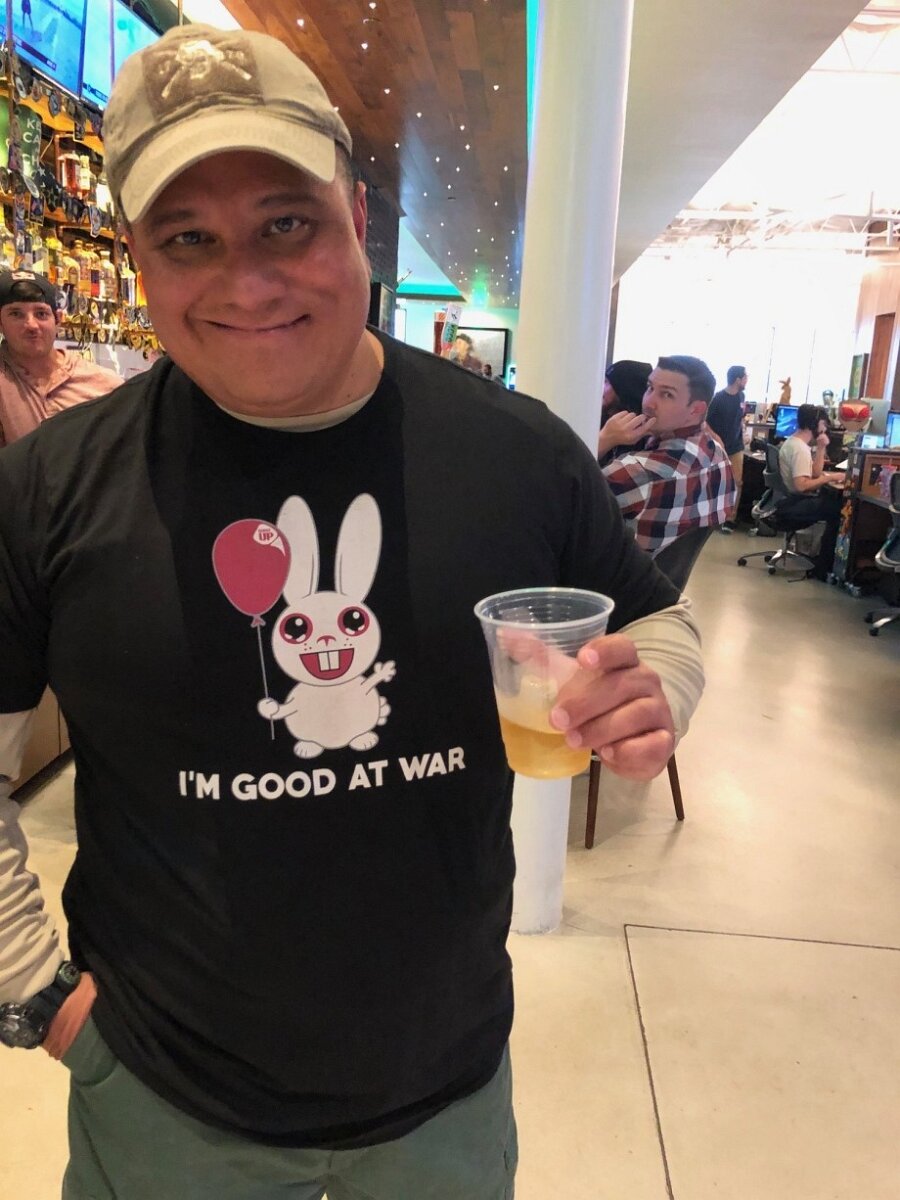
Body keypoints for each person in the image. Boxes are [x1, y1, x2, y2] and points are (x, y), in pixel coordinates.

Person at [0, 25, 704, 1200]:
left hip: (446, 1091)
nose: (247, 281)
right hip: (164, 1100)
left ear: (358, 221)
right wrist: (37, 997)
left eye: (287, 223)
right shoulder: (52, 486)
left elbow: (659, 620)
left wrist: (653, 692)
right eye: (188, 238)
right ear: (138, 259)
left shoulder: (515, 453)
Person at [602, 355, 736, 555]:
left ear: (696, 409)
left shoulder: (637, 472)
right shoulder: (719, 456)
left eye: (666, 395)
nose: (649, 403)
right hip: (658, 573)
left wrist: (603, 440)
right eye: (650, 388)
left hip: (610, 572)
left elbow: (559, 500)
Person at [0, 269, 122, 447]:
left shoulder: (104, 384)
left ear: (58, 319)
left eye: (41, 313)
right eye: (16, 314)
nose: (31, 325)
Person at [776, 403, 846, 580]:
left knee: (833, 505)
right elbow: (802, 485)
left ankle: (823, 563)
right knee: (839, 510)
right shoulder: (799, 449)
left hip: (791, 500)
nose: (825, 429)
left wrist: (821, 448)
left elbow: (814, 473)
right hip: (796, 502)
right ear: (814, 424)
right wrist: (829, 478)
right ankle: (824, 567)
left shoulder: (794, 443)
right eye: (823, 424)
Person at [706, 364, 747, 533]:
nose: (746, 380)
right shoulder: (718, 398)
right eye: (745, 377)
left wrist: (743, 430)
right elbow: (705, 423)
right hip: (718, 447)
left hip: (736, 447)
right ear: (738, 379)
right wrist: (716, 438)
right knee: (716, 483)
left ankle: (730, 519)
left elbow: (740, 418)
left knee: (737, 482)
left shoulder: (741, 396)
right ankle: (711, 517)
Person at [596, 358, 653, 465]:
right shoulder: (596, 420)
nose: (600, 388)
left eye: (606, 382)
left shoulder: (644, 437)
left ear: (623, 390)